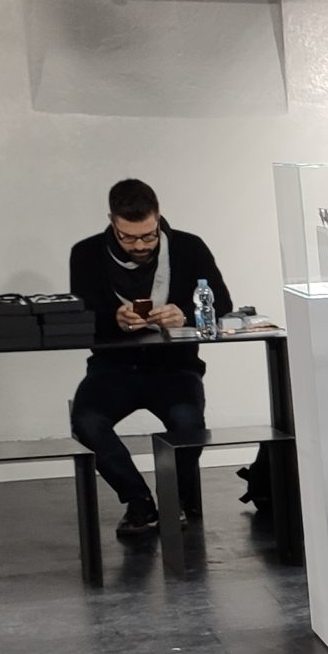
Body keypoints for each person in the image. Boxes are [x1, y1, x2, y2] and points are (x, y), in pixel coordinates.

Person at [67, 179, 232, 538]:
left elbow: (222, 303)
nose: (140, 245)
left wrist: (184, 313)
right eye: (128, 237)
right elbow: (81, 317)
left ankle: (174, 500)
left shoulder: (188, 247)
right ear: (111, 221)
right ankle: (138, 500)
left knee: (188, 423)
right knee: (87, 422)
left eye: (148, 235)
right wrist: (113, 319)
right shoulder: (86, 253)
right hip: (113, 367)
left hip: (175, 366)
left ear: (158, 218)